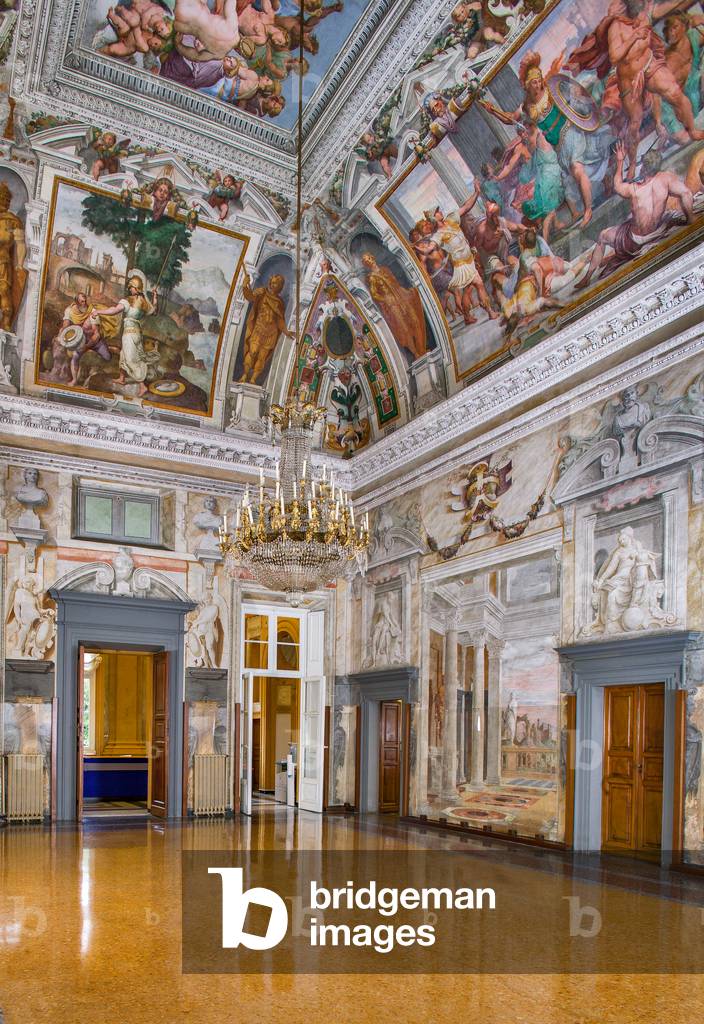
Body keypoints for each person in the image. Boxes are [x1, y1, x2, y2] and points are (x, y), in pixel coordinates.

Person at [579, 141, 693, 286]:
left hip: (634, 240)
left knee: (602, 235)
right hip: (658, 229)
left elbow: (617, 186)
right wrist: (691, 219)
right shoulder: (666, 179)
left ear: (644, 167)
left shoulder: (634, 189)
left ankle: (587, 278)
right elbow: (686, 193)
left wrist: (620, 162)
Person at [361, 252, 427, 361]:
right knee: (404, 328)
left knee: (414, 320)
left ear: (372, 257)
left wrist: (405, 292)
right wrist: (386, 300)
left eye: (368, 258)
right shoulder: (372, 278)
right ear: (365, 265)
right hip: (391, 304)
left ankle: (422, 348)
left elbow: (395, 283)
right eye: (365, 261)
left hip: (400, 296)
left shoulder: (384, 269)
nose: (368, 260)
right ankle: (415, 353)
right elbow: (374, 294)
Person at [239, 272, 294, 384]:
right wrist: (245, 285)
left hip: (271, 333)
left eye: (277, 284)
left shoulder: (279, 303)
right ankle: (244, 375)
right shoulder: (262, 292)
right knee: (253, 352)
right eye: (273, 283)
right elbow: (250, 297)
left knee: (262, 358)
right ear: (270, 283)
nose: (274, 285)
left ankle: (253, 378)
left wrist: (286, 332)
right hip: (259, 329)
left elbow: (279, 320)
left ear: (280, 287)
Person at [0, 180, 26, 332]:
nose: (4, 202)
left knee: (3, 291)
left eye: (5, 200)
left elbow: (21, 243)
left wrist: (20, 265)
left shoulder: (13, 222)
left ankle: (6, 323)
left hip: (2, 262)